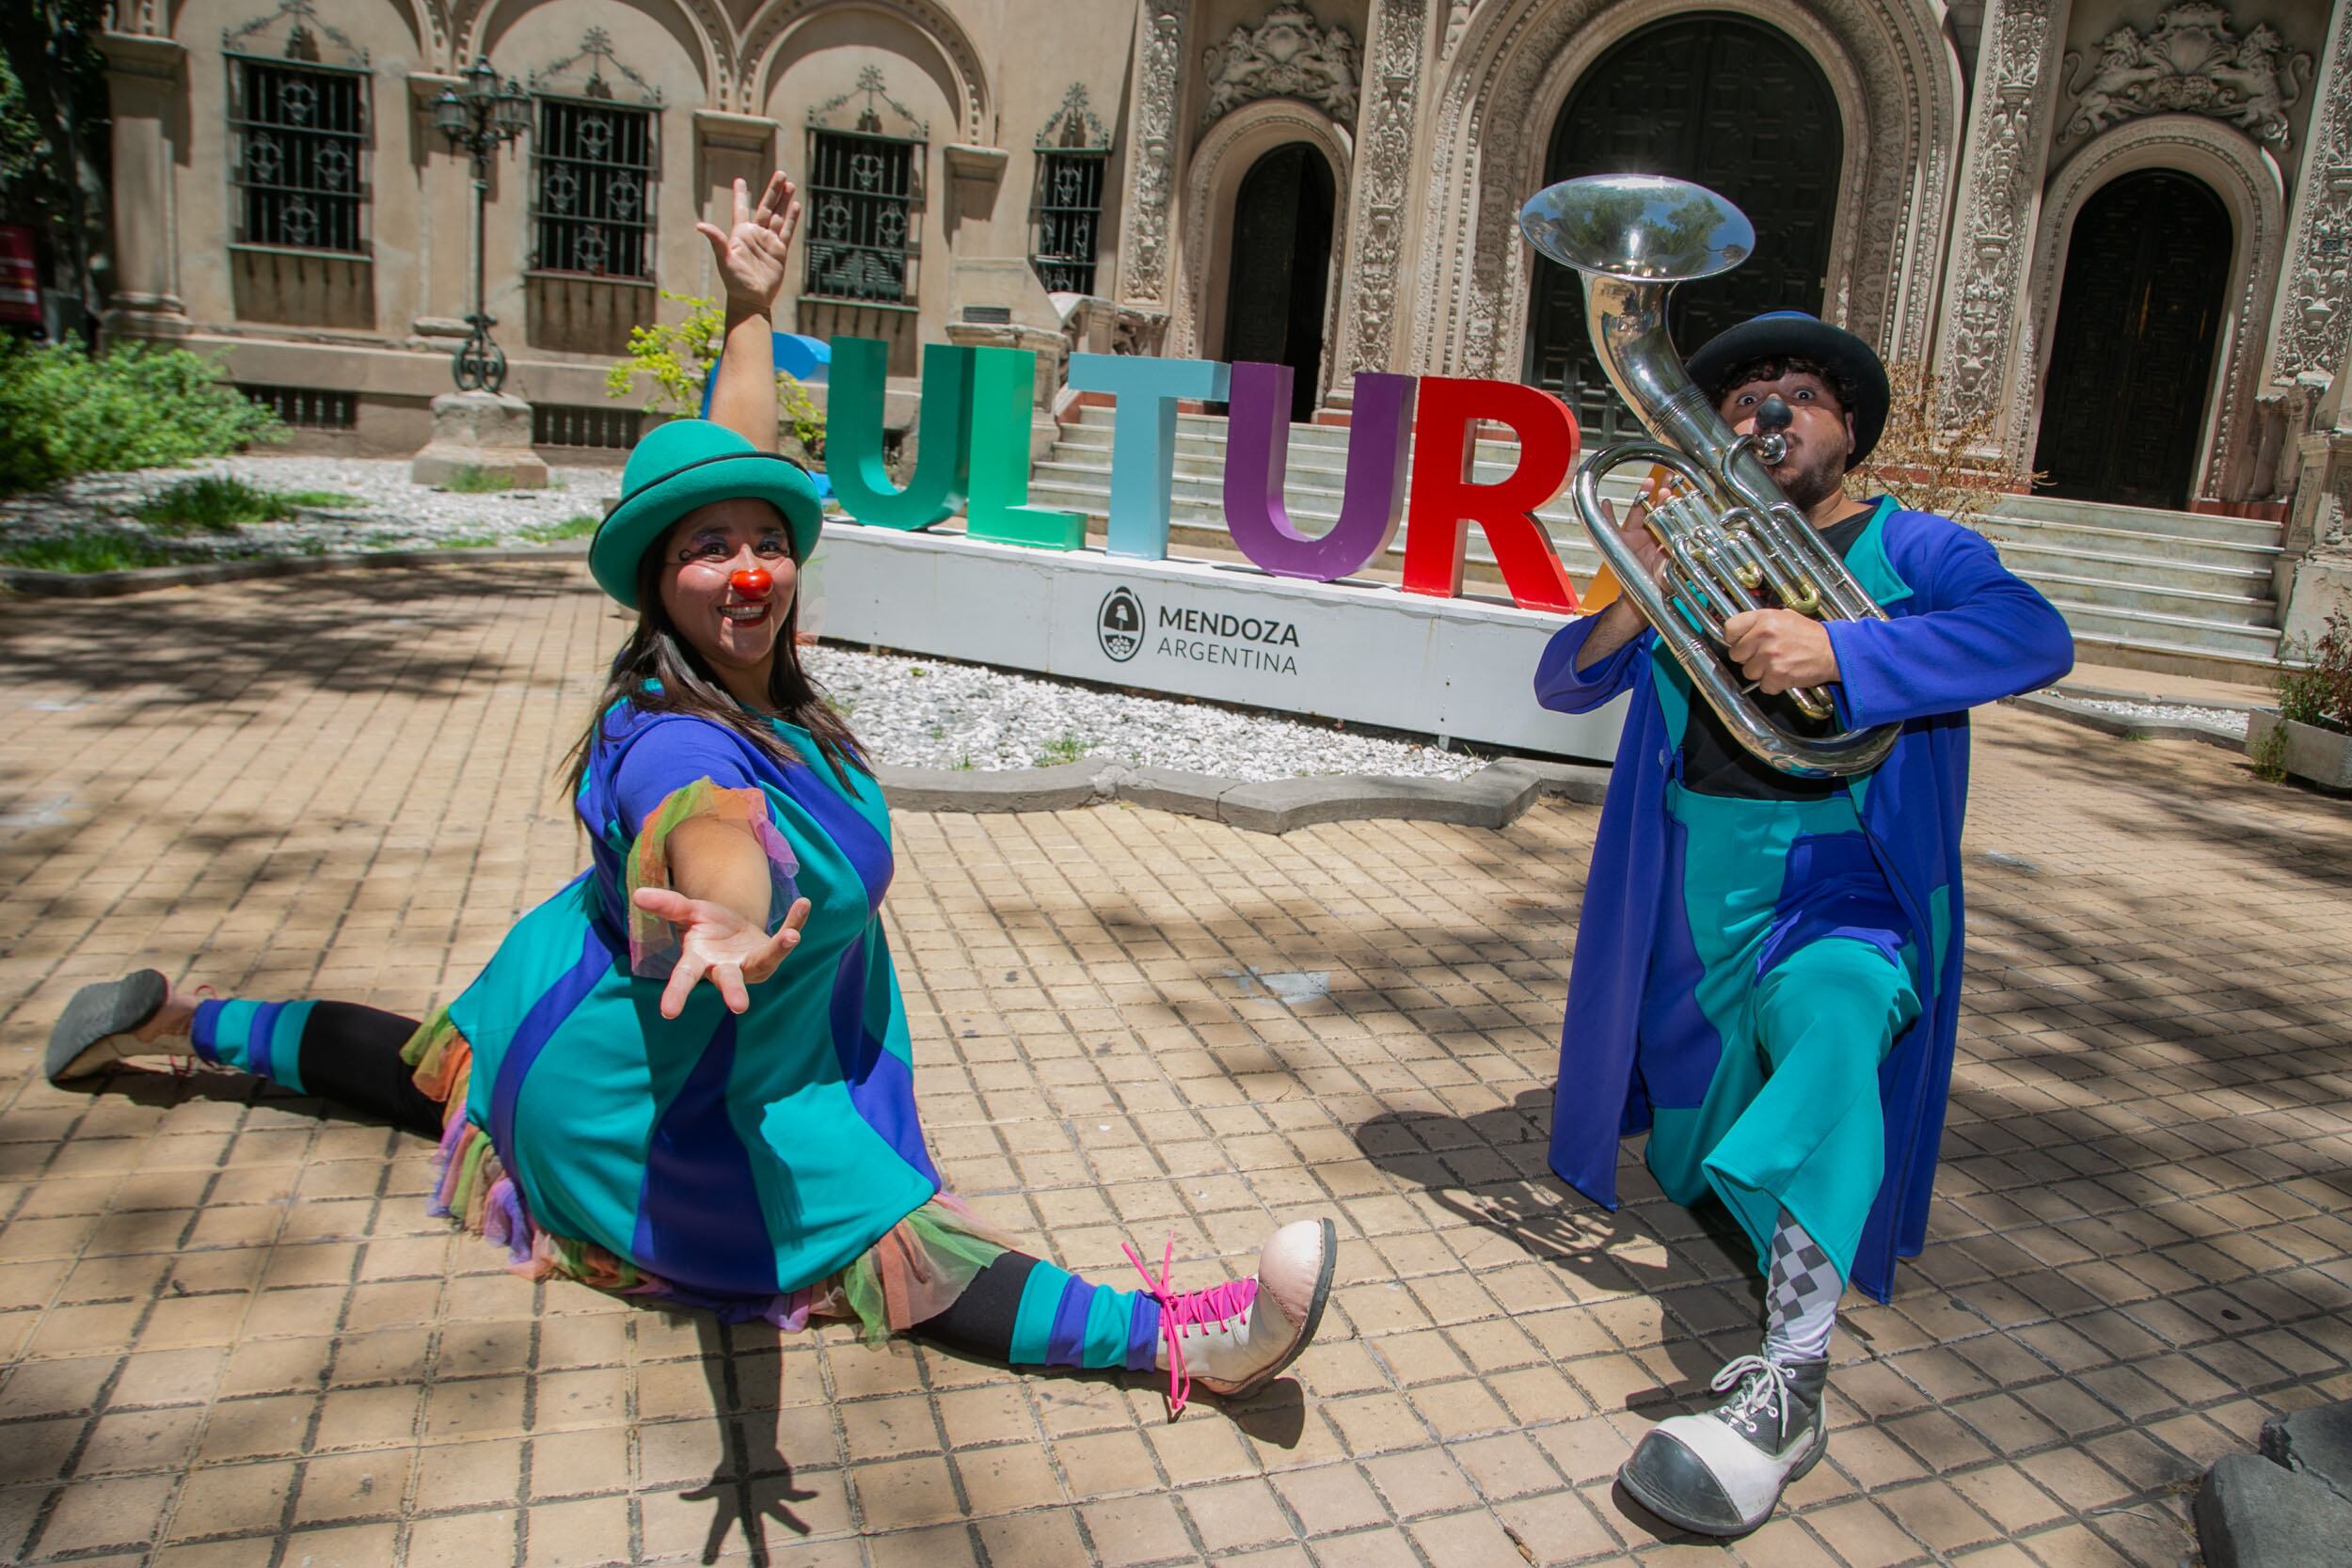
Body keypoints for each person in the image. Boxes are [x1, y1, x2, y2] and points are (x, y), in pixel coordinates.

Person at [45, 170, 1333, 1418]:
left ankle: (181, 1017)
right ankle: (1186, 1340)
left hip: (569, 990)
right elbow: (710, 830)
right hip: (676, 1086)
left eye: (766, 538)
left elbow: (739, 454)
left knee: (421, 1070)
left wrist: (749, 309)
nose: (748, 567)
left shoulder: (752, 675)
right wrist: (720, 907)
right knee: (898, 1251)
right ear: (657, 585)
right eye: (707, 549)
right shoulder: (671, 738)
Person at [1534, 311, 2073, 1535]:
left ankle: (1793, 1381)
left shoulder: (1916, 545)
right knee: (1704, 1162)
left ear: (1850, 433)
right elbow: (1564, 679)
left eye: (1805, 395)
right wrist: (1643, 590)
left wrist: (1835, 643)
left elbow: (2036, 636)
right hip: (1697, 890)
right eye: (1744, 396)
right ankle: (1775, 1242)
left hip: (1844, 881)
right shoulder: (1689, 540)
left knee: (1834, 1026)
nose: (1770, 410)